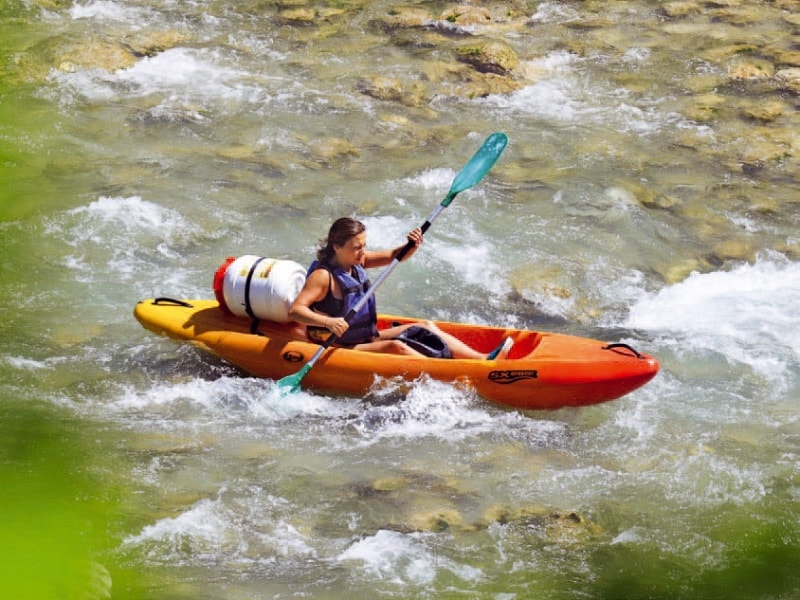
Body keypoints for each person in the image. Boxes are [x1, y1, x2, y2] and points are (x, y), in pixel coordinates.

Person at [288, 217, 512, 359]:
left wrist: (411, 244)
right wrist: (328, 322)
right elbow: (296, 310)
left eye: (364, 246)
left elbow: (395, 256)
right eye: (357, 247)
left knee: (425, 326)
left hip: (366, 336)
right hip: (339, 345)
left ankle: (482, 360)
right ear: (336, 247)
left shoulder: (358, 262)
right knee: (396, 347)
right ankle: (450, 376)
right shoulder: (322, 277)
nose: (362, 252)